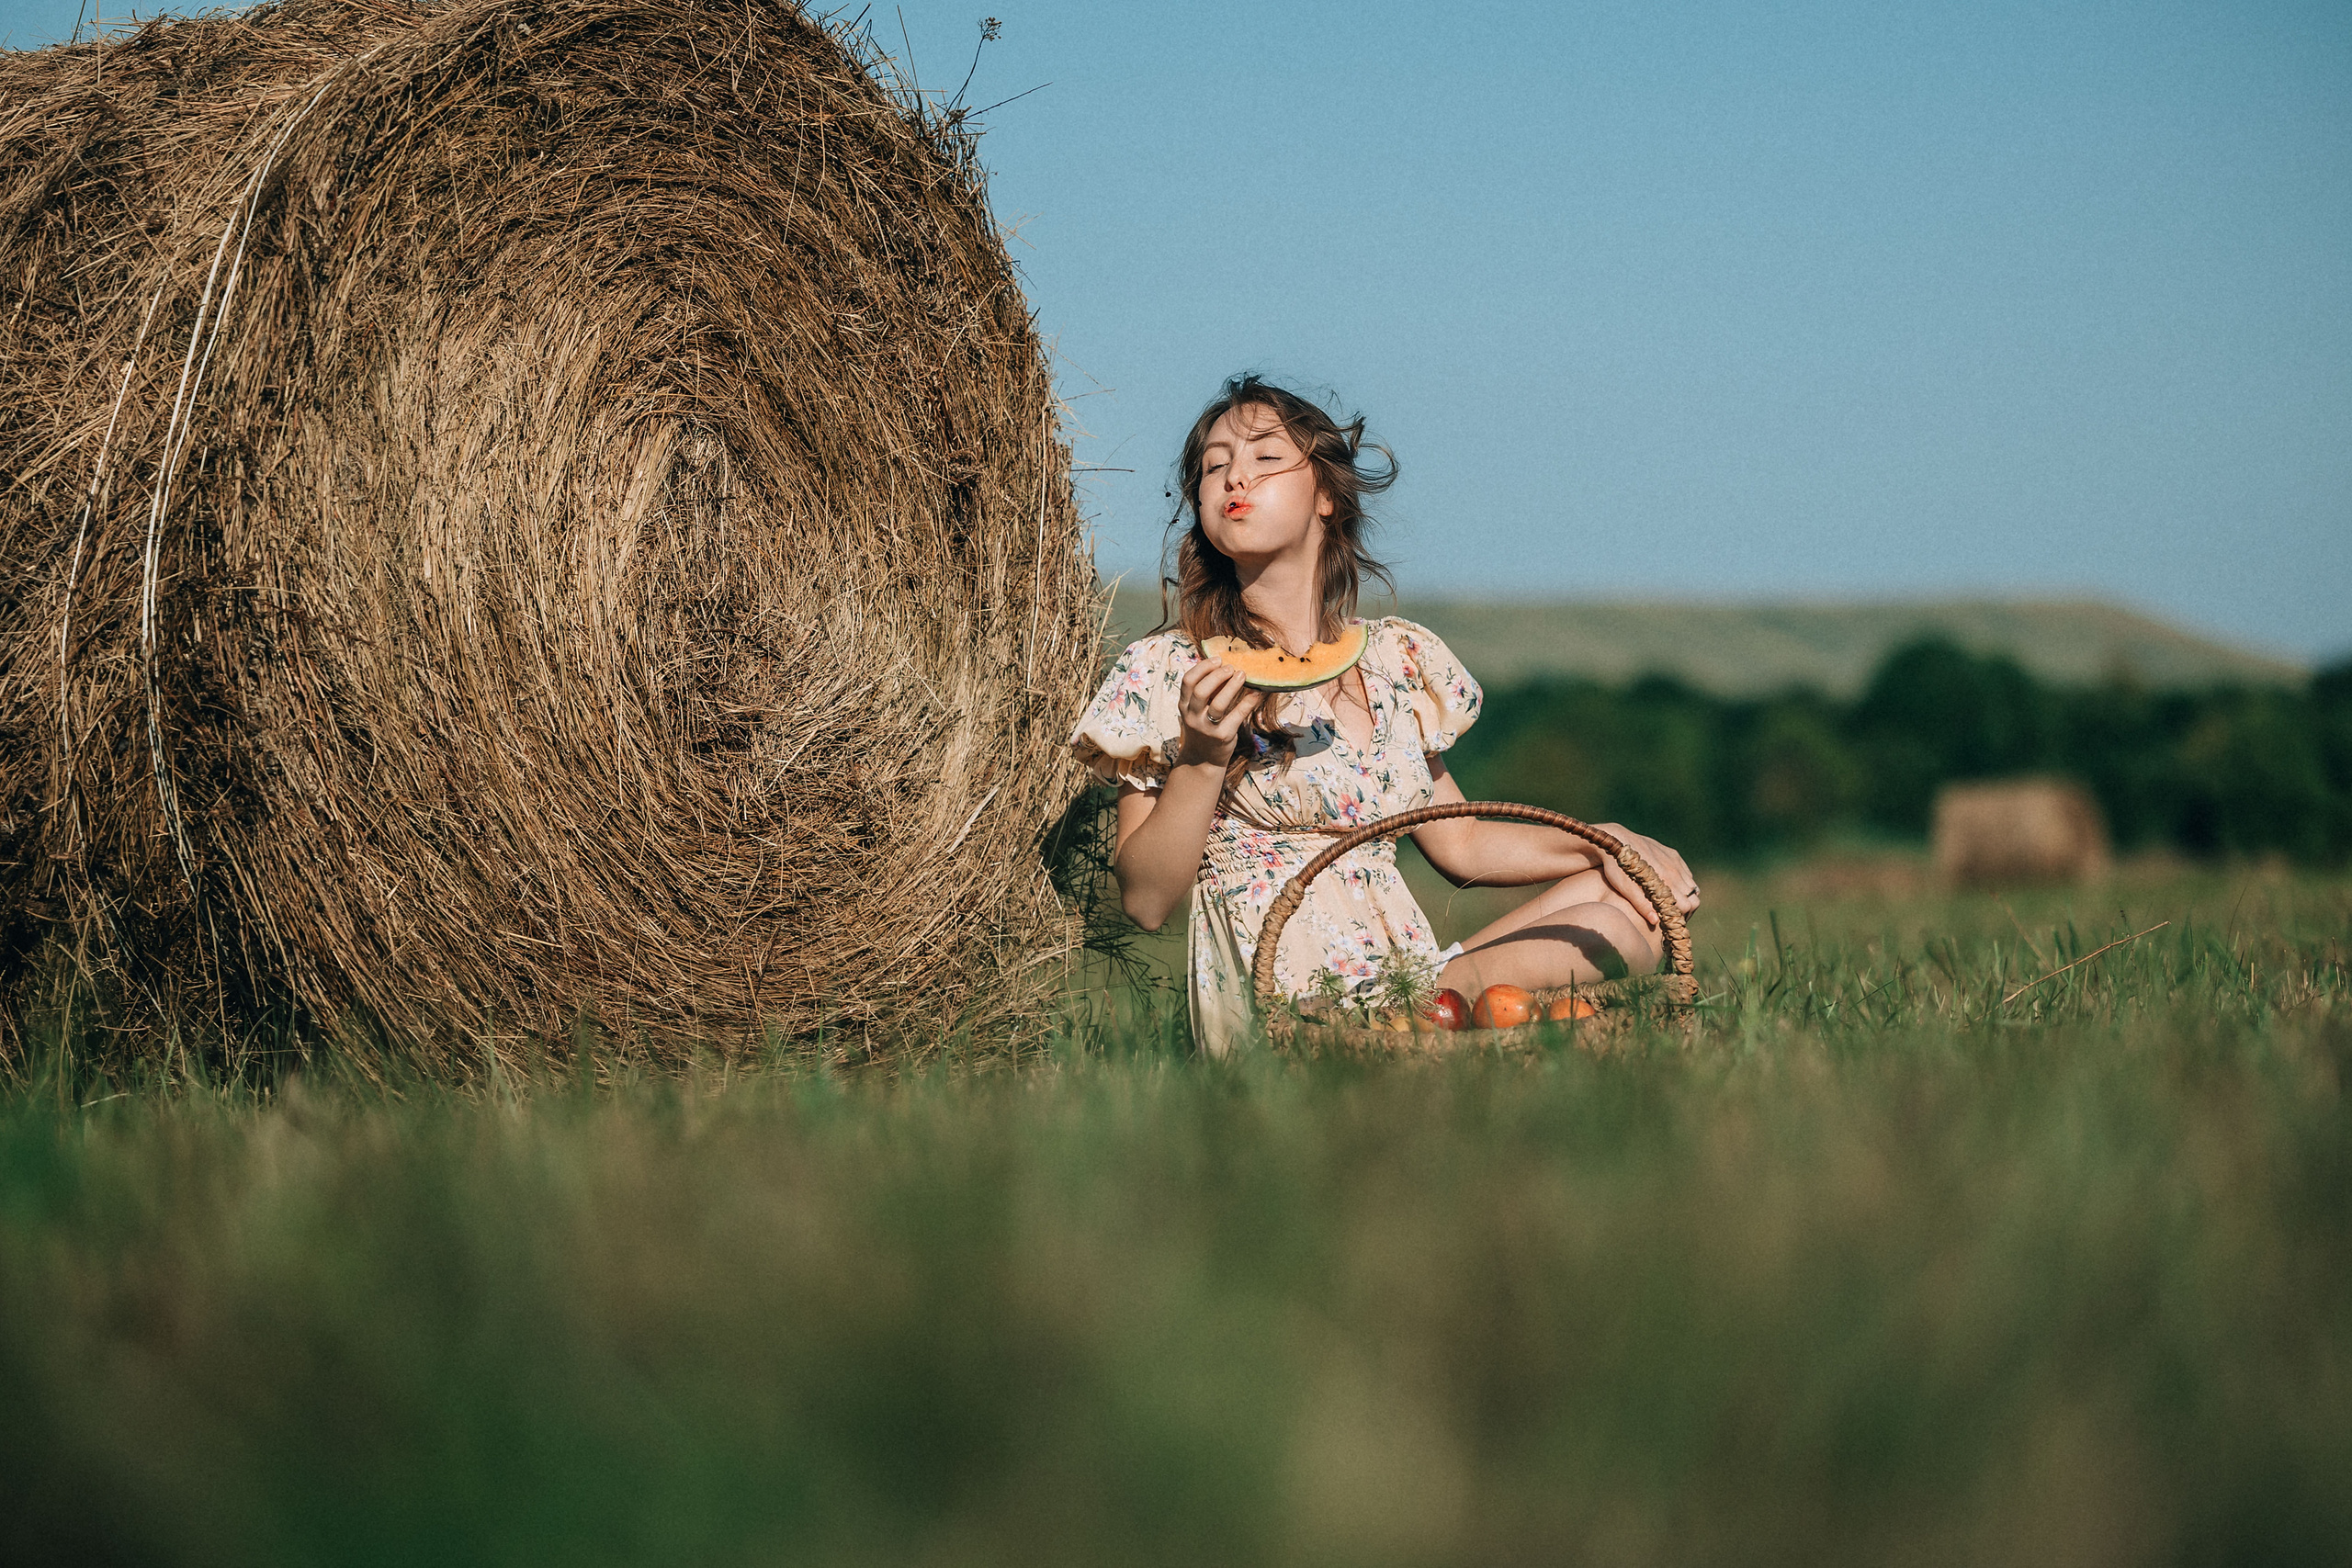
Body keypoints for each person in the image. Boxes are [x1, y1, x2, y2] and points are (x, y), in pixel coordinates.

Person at [1069, 375, 1701, 1054]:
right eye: (1214, 465)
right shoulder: (1171, 670)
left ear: (1327, 496)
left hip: (1403, 982)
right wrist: (1200, 757)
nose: (1233, 477)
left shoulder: (1395, 661)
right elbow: (1145, 900)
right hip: (1289, 1001)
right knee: (1622, 937)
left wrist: (1604, 842)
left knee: (1624, 905)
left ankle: (1428, 1021)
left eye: (1264, 458)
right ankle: (1393, 1029)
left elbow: (1460, 844)